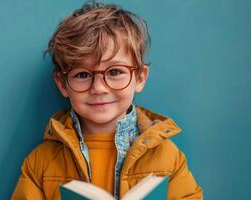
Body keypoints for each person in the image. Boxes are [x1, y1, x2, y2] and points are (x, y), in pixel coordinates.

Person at [11, 1, 203, 199]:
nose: (99, 88)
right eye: (83, 74)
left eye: (114, 71)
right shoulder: (40, 163)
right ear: (62, 83)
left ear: (139, 77)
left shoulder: (168, 158)